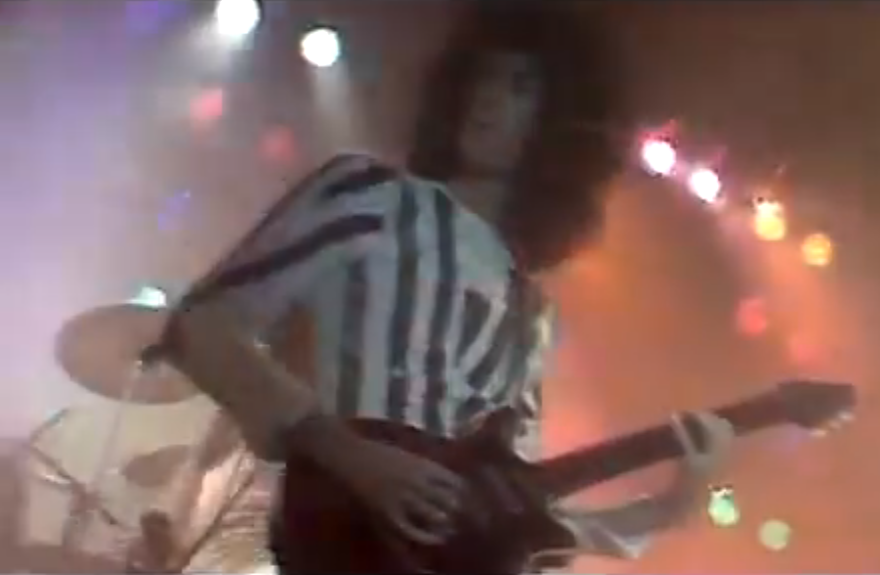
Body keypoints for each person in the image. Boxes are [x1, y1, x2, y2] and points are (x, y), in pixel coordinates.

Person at [163, 3, 734, 572]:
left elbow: (514, 511)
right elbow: (202, 326)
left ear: (560, 124)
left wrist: (666, 509)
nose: (487, 98)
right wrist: (345, 451)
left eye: (519, 87)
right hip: (340, 536)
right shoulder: (371, 196)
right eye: (483, 76)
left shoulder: (530, 312)